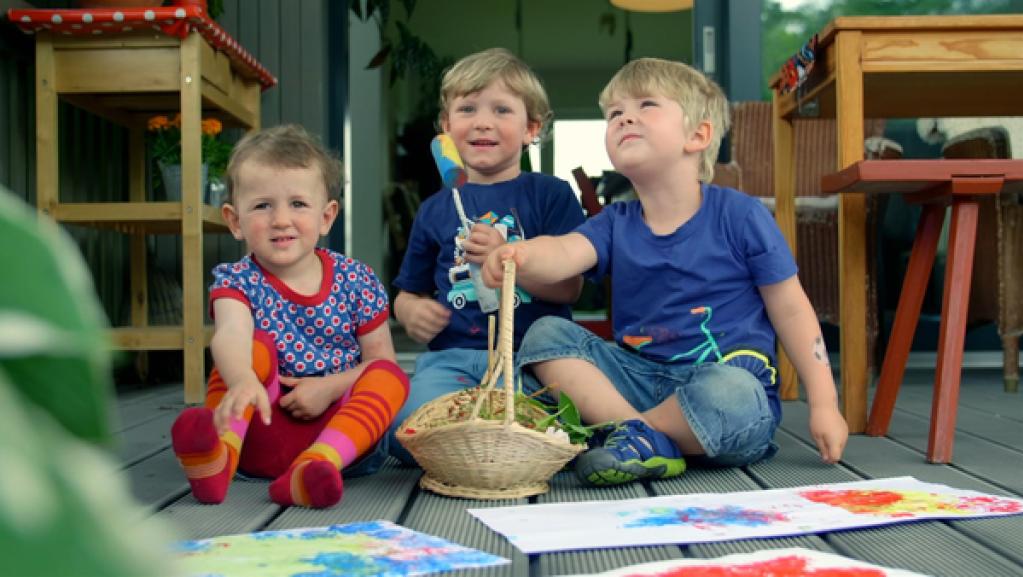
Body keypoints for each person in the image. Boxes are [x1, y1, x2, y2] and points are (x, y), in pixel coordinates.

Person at [482, 58, 848, 487]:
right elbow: (564, 252)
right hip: (638, 379)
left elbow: (791, 310)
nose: (625, 117)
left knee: (731, 394)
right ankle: (639, 434)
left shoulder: (739, 215)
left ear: (698, 135)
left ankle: (625, 433)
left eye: (646, 105)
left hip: (721, 394)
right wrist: (519, 255)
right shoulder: (616, 221)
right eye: (614, 113)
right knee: (546, 333)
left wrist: (824, 403)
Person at [170, 124, 409, 508]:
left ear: (327, 216)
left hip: (343, 441)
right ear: (234, 220)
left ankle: (313, 468)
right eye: (263, 205)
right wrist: (244, 379)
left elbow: (381, 360)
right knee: (253, 346)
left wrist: (329, 386)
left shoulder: (355, 279)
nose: (281, 219)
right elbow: (229, 333)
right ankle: (219, 458)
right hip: (259, 430)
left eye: (298, 204)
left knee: (391, 376)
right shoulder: (237, 281)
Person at [389, 47, 585, 464]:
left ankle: (484, 446)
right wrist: (409, 313)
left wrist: (509, 259)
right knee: (404, 434)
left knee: (560, 427)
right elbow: (408, 291)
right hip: (452, 362)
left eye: (501, 110)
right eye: (467, 109)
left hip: (531, 362)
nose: (482, 121)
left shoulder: (550, 195)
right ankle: (473, 445)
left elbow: (570, 287)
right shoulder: (435, 208)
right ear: (446, 127)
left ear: (532, 127)